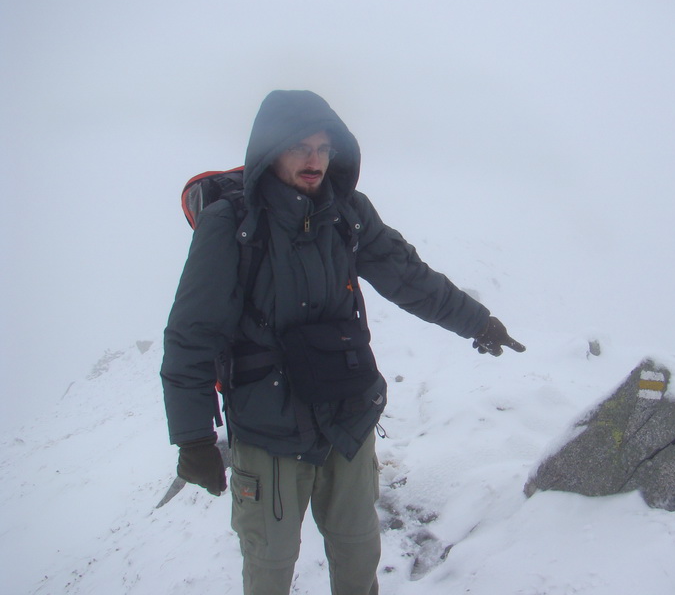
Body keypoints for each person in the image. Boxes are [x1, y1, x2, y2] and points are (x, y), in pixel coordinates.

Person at [161, 90, 525, 595]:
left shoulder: (348, 211)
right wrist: (193, 438)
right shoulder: (232, 224)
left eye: (323, 148)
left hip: (347, 416)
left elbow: (409, 277)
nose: (314, 161)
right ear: (270, 151)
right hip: (270, 428)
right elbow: (192, 332)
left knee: (357, 556)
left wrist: (479, 323)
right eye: (299, 148)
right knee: (269, 565)